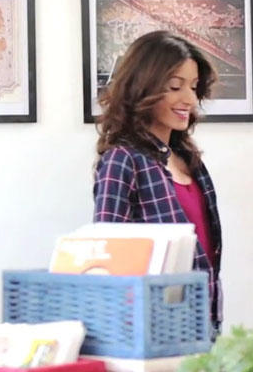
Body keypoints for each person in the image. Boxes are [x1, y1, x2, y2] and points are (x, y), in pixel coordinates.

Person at [92, 30, 223, 338]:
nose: (189, 99)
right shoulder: (122, 160)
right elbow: (108, 262)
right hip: (153, 328)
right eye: (175, 86)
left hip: (204, 319)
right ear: (144, 88)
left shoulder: (189, 160)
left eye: (193, 87)